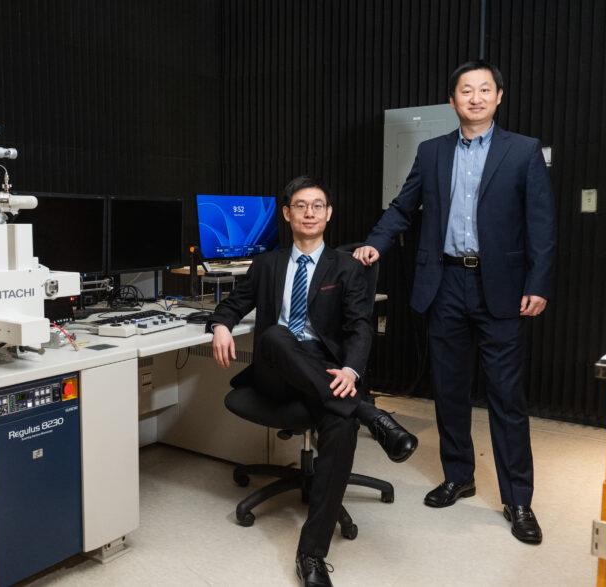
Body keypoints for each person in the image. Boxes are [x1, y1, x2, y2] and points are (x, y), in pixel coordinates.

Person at [353, 60, 556, 545]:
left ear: (499, 97)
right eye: (467, 90)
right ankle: (459, 475)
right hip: (445, 284)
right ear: (453, 101)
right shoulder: (432, 152)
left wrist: (540, 282)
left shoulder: (523, 151)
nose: (476, 97)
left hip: (503, 288)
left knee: (507, 398)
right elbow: (403, 207)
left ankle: (518, 500)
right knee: (449, 391)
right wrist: (375, 243)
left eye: (485, 89)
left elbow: (542, 226)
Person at [209, 175, 417, 587]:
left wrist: (352, 371)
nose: (309, 212)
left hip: (327, 371)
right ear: (287, 214)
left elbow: (360, 327)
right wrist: (220, 325)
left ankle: (311, 555)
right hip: (277, 369)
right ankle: (367, 412)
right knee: (274, 335)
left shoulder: (347, 267)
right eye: (301, 205)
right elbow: (233, 304)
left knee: (339, 426)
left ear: (329, 214)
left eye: (318, 205)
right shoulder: (267, 263)